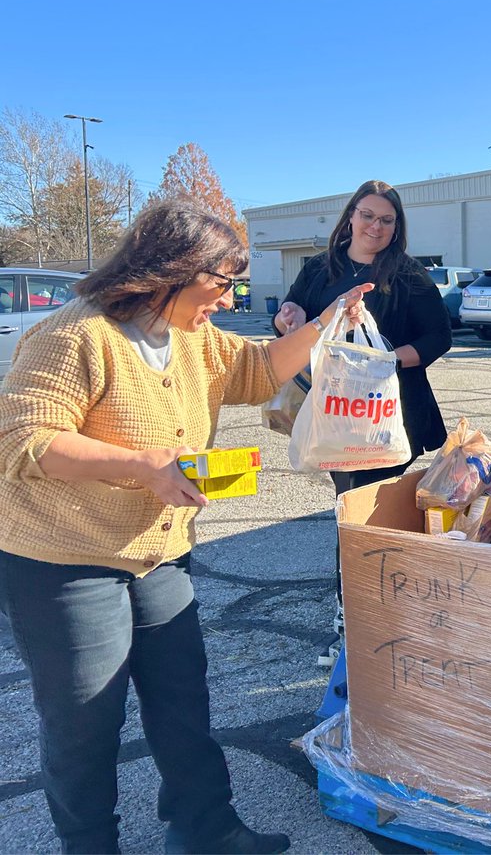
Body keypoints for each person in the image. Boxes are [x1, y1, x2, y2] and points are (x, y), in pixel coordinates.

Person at [0, 202, 373, 854]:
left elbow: (261, 369)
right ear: (171, 270)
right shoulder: (76, 335)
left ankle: (206, 828)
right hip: (65, 560)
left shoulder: (193, 336)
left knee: (182, 699)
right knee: (85, 721)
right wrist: (140, 465)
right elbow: (22, 439)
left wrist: (325, 323)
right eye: (223, 282)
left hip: (159, 553)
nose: (229, 300)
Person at [273, 180, 452, 654]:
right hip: (337, 415)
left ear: (397, 227)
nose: (376, 226)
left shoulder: (408, 275)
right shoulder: (319, 268)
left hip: (390, 414)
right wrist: (286, 318)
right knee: (352, 511)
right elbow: (291, 317)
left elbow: (438, 338)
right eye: (368, 215)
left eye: (387, 220)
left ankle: (368, 619)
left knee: (370, 514)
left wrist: (387, 360)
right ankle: (355, 619)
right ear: (351, 216)